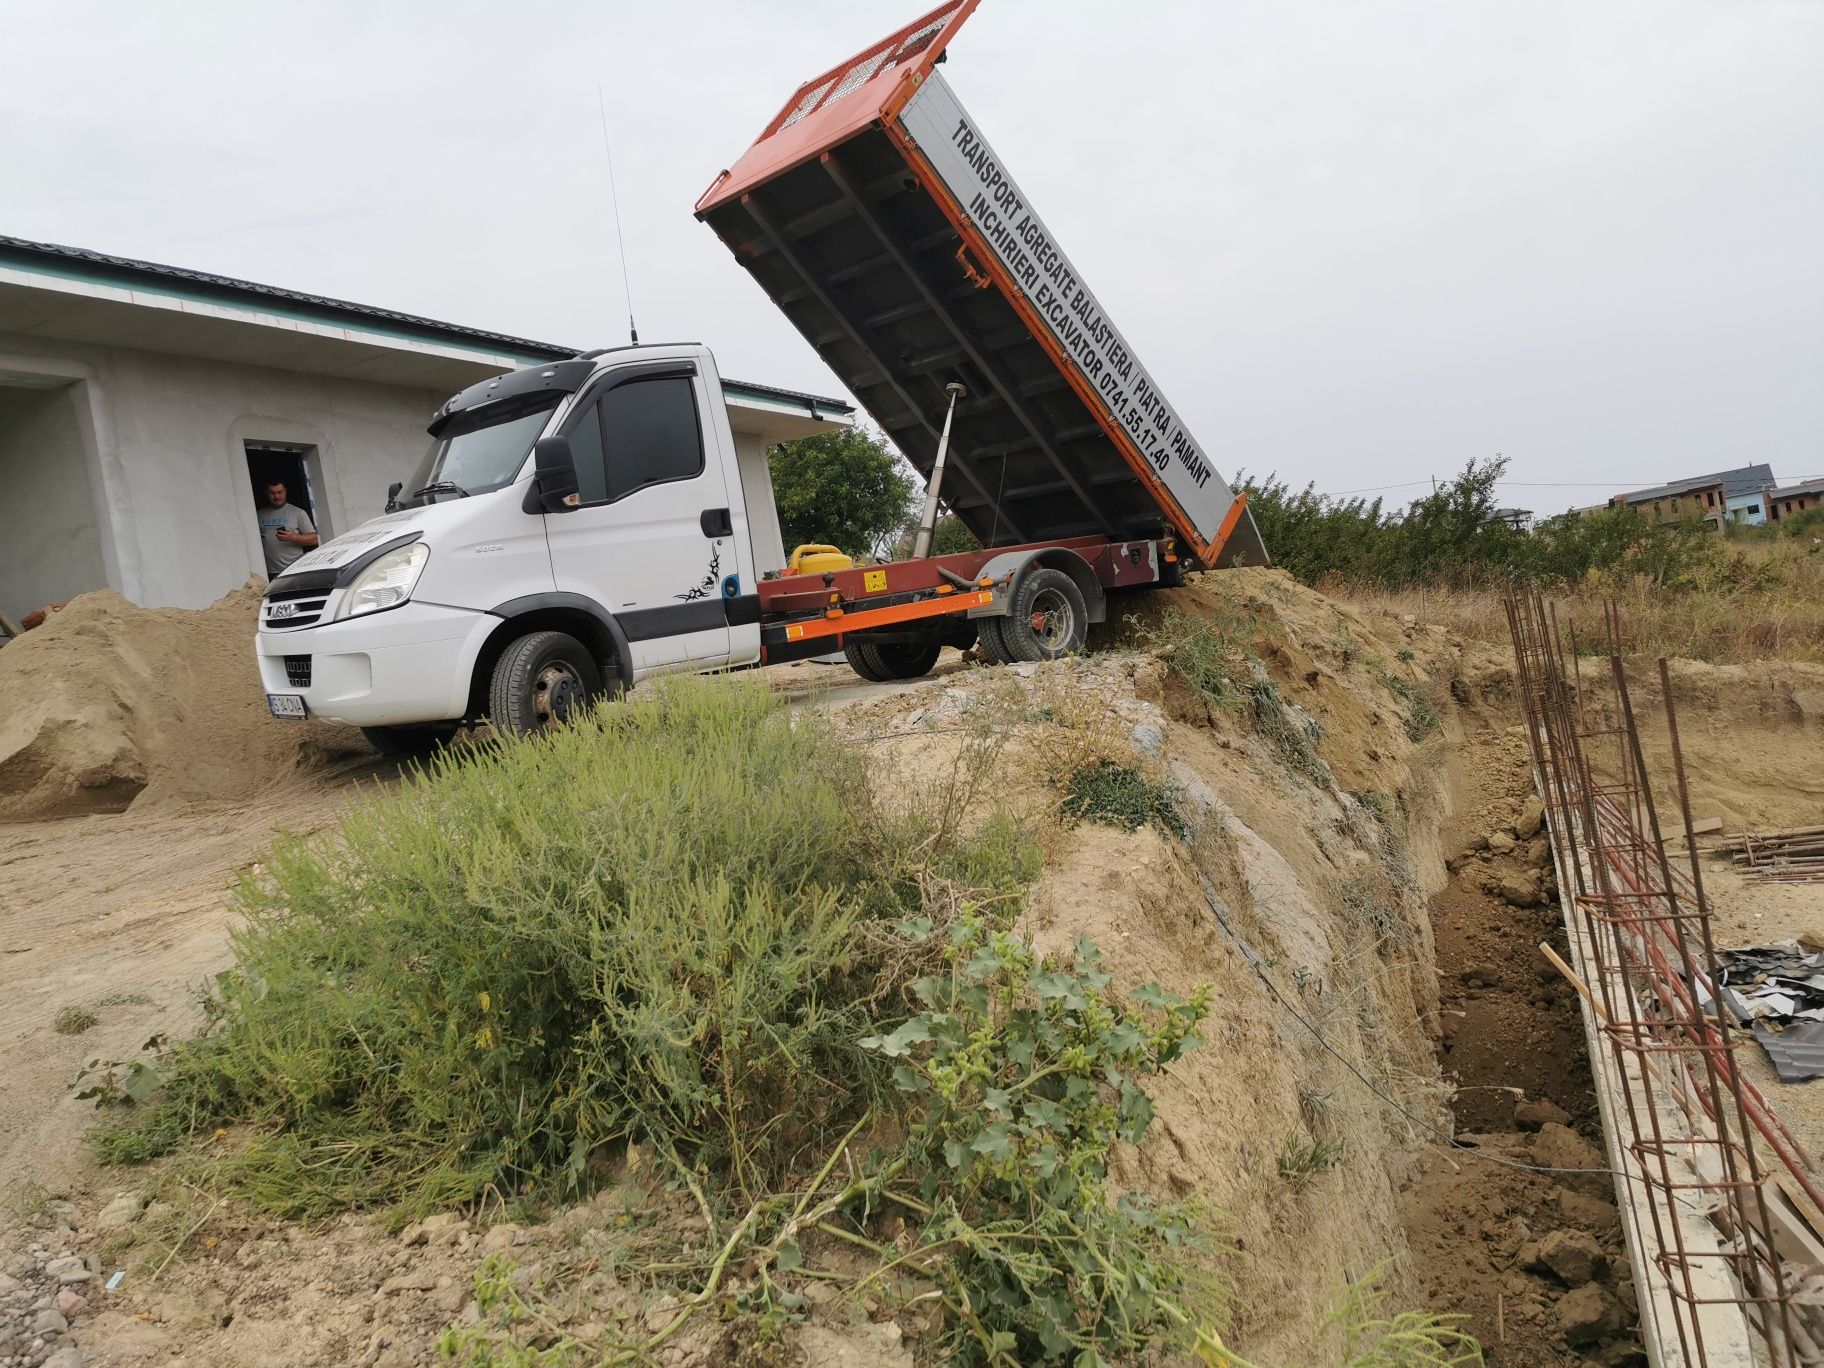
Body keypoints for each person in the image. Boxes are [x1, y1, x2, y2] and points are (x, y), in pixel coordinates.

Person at [257, 480, 319, 577]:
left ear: (286, 491)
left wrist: (292, 537)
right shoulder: (259, 514)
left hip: (293, 569)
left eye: (280, 492)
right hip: (266, 571)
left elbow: (314, 539)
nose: (277, 497)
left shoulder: (298, 513)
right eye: (272, 493)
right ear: (266, 493)